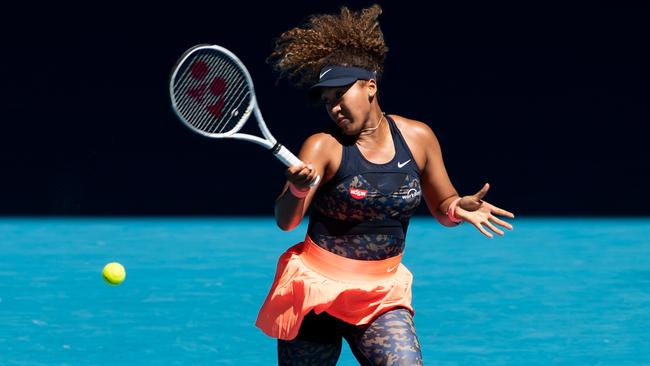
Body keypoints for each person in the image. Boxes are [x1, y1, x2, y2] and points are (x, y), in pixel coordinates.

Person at [255, 5, 515, 365]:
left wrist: (458, 208)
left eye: (341, 94)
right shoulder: (322, 146)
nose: (334, 108)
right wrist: (297, 189)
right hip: (316, 293)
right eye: (327, 101)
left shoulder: (418, 137)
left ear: (370, 87)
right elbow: (287, 221)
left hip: (380, 296)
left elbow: (443, 203)